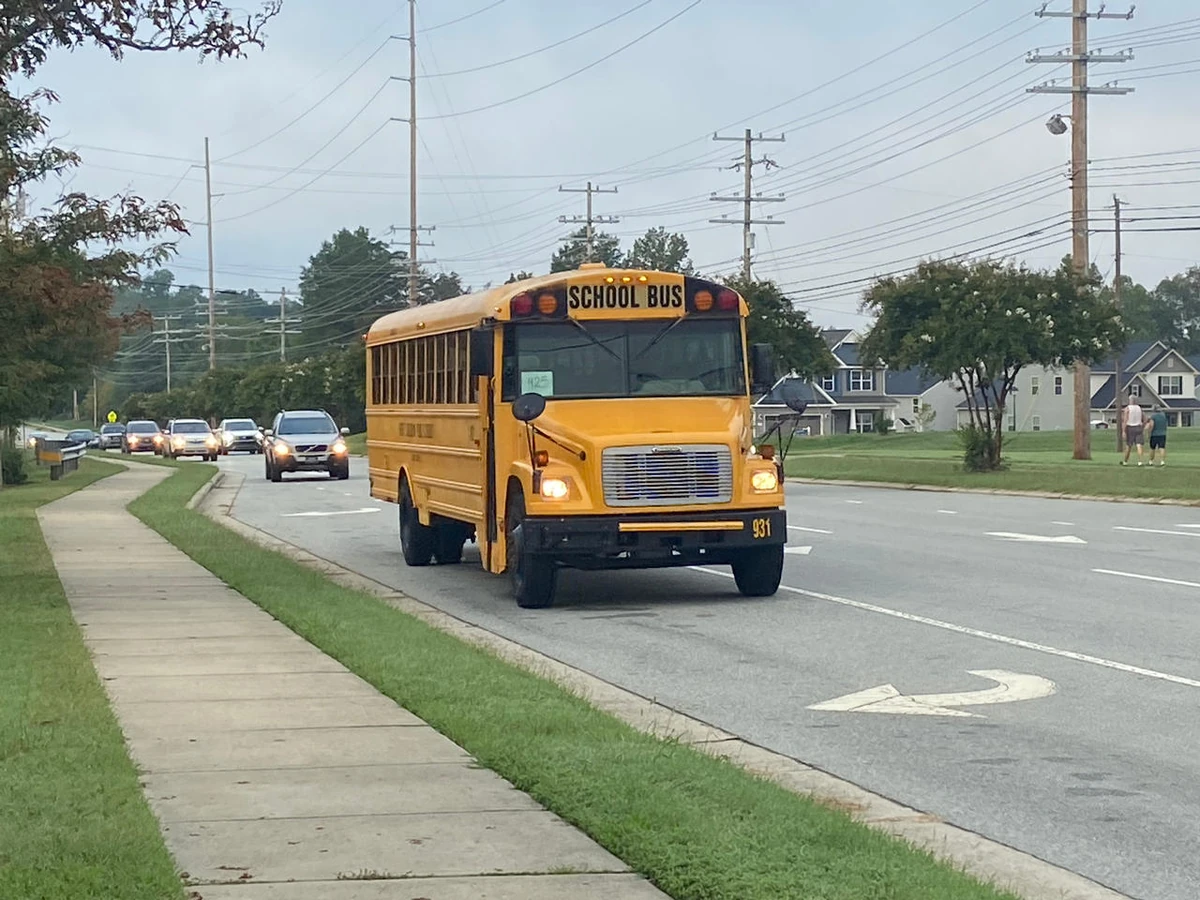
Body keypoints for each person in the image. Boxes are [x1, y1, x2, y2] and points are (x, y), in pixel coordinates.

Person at [1121, 396, 1146, 466]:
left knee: (1128, 445)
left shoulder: (1127, 408)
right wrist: (1142, 426)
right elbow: (1145, 419)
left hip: (1130, 427)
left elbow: (1125, 420)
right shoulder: (1139, 408)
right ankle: (1140, 462)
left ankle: (1125, 461)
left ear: (1130, 400)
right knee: (1139, 445)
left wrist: (1123, 431)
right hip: (1138, 426)